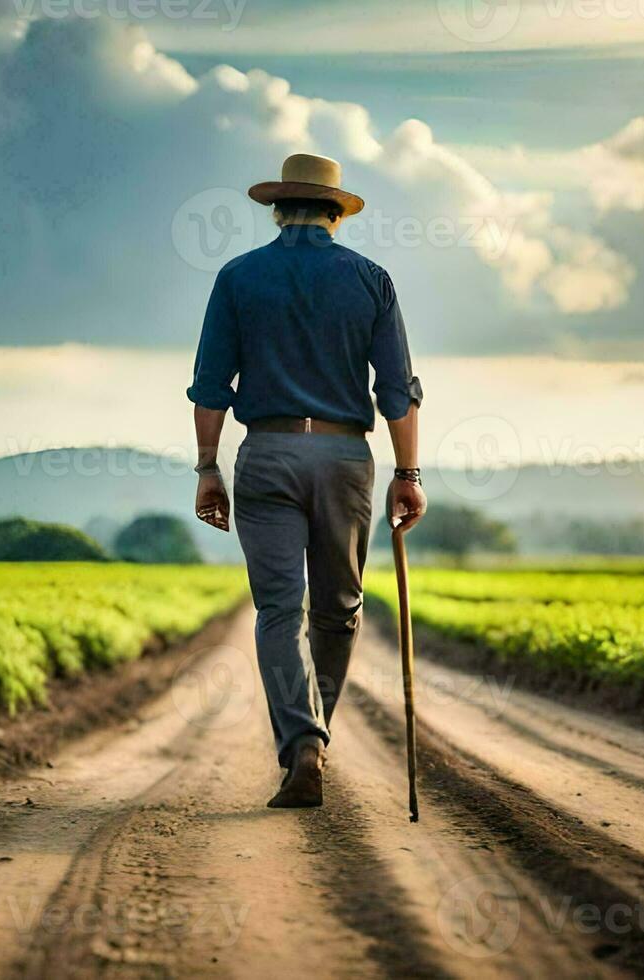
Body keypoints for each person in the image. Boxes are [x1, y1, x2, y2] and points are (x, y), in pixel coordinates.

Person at [186, 152, 427, 808]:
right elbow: (398, 393)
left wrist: (208, 468)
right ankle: (314, 740)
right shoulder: (371, 279)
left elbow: (211, 387)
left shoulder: (237, 277)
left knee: (278, 611)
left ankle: (300, 742)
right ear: (334, 213)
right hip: (347, 459)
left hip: (267, 453)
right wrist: (408, 474)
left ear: (277, 209)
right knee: (338, 610)